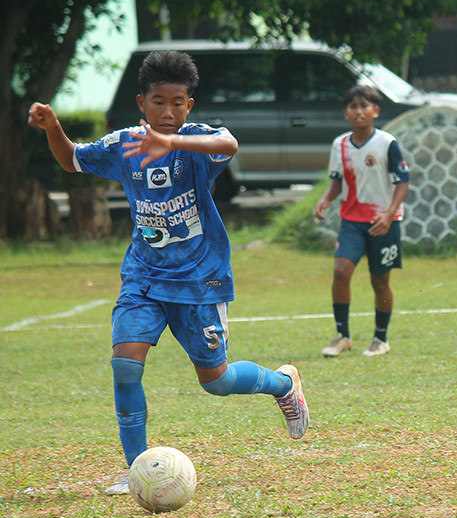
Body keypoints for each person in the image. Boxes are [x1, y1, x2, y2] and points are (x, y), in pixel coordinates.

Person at [27, 51, 309, 495]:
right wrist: (53, 129)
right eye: (159, 101)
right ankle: (135, 469)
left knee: (215, 382)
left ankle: (282, 384)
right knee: (125, 365)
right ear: (142, 102)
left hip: (200, 279)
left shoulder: (196, 141)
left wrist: (173, 143)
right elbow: (73, 160)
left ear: (189, 106)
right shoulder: (125, 144)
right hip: (143, 275)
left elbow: (230, 145)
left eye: (179, 102)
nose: (169, 111)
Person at [314, 85, 410, 357]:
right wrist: (326, 199)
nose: (359, 112)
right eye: (353, 107)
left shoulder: (387, 143)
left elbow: (403, 181)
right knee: (341, 271)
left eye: (364, 106)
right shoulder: (340, 144)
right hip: (351, 221)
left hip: (383, 222)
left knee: (379, 282)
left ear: (375, 111)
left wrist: (390, 213)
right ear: (345, 113)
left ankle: (380, 339)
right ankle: (342, 336)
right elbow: (337, 179)